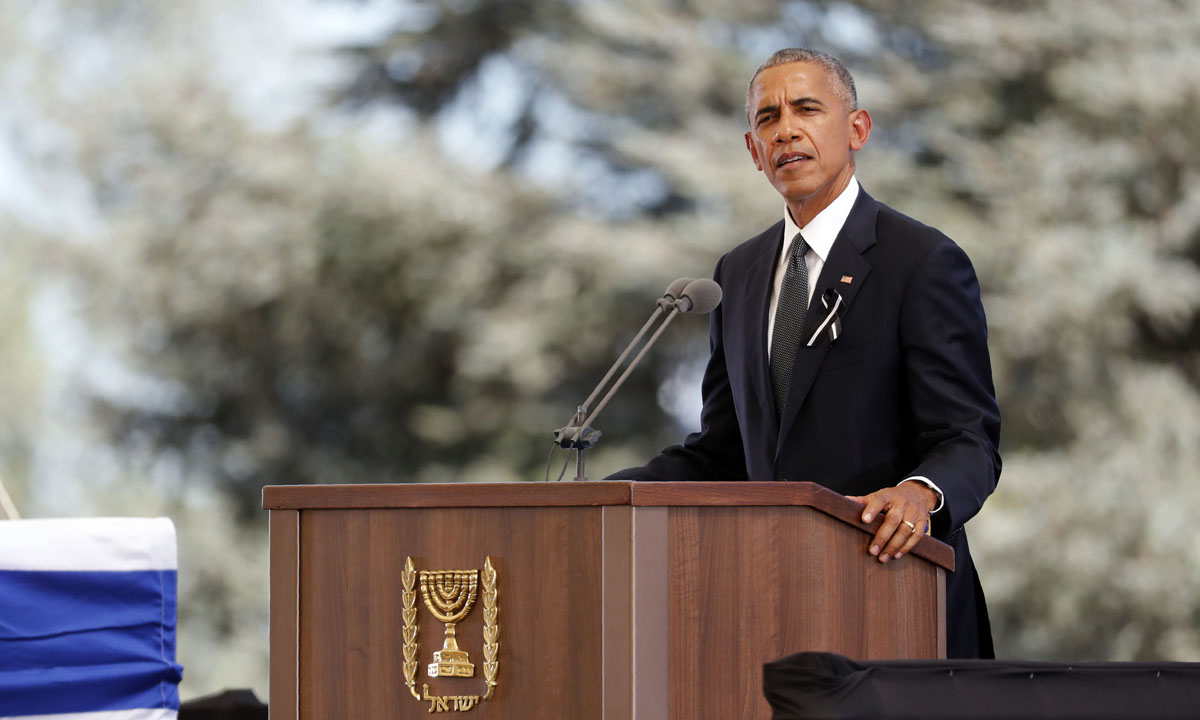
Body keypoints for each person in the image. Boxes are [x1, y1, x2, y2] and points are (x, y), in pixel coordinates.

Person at [607, 48, 1001, 658]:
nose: (785, 128)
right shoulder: (736, 273)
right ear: (752, 150)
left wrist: (920, 494)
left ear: (857, 128)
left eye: (807, 109)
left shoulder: (920, 261)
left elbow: (967, 437)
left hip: (896, 596)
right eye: (767, 118)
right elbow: (723, 455)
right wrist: (607, 494)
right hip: (770, 611)